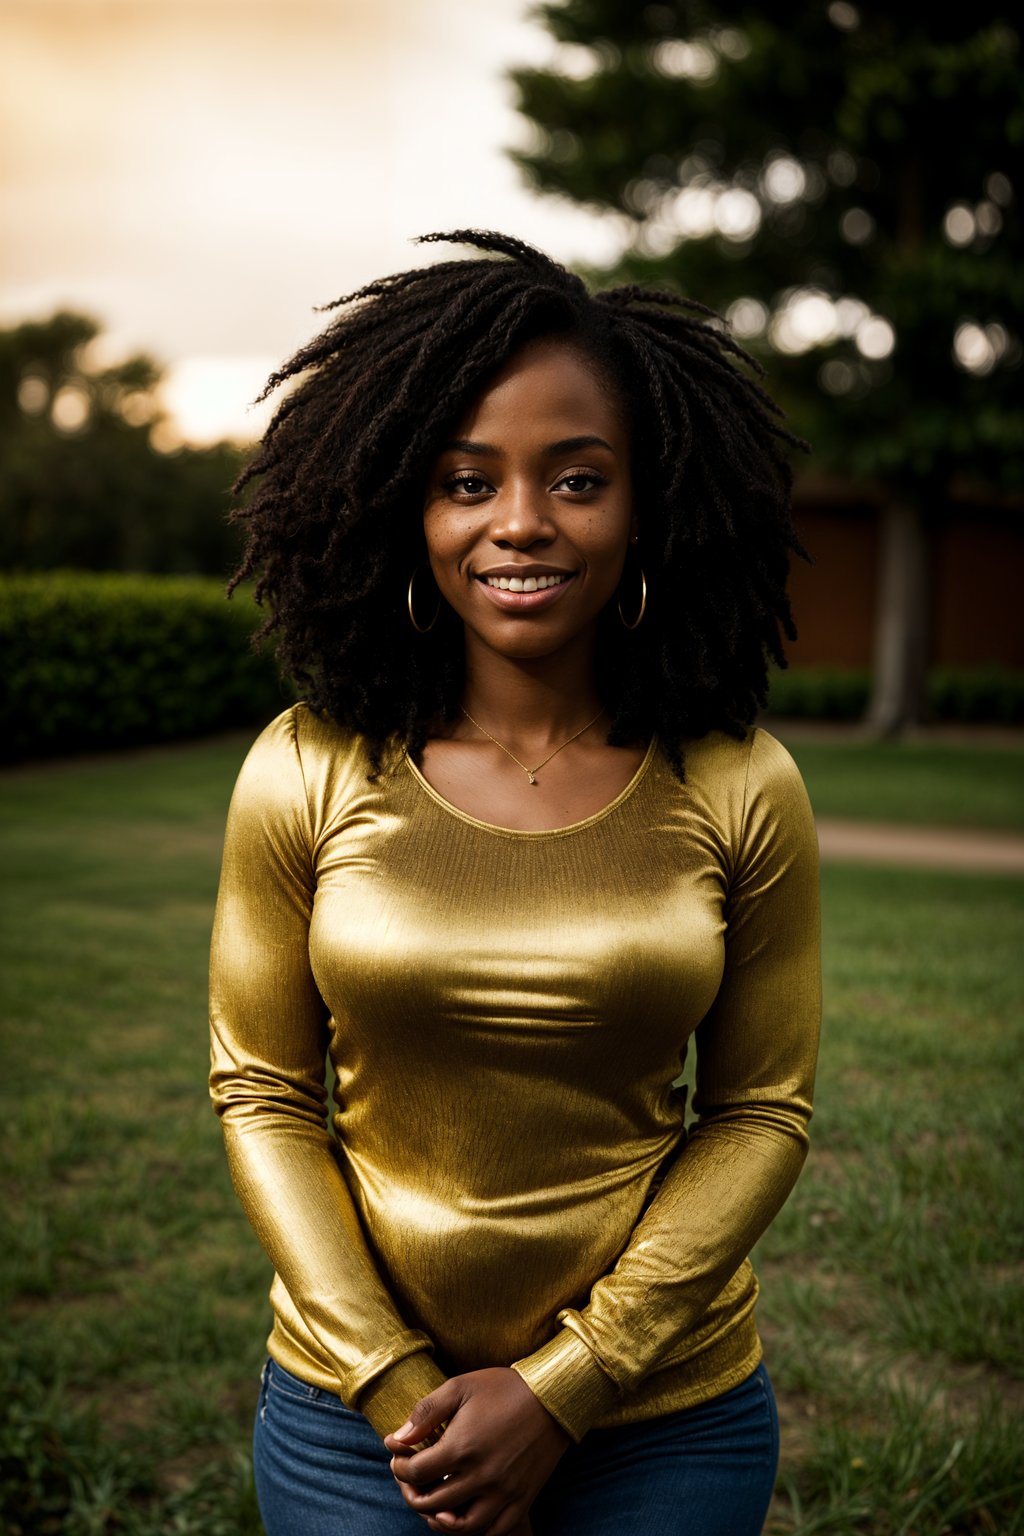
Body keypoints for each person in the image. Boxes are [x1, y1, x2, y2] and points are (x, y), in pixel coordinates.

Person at [209, 230, 821, 1536]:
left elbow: (761, 1110)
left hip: (664, 1414)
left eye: (578, 478)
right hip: (356, 1422)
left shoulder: (739, 780)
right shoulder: (307, 768)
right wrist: (388, 1379)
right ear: (402, 506)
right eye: (466, 480)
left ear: (648, 503)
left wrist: (569, 1386)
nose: (522, 521)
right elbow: (261, 1090)